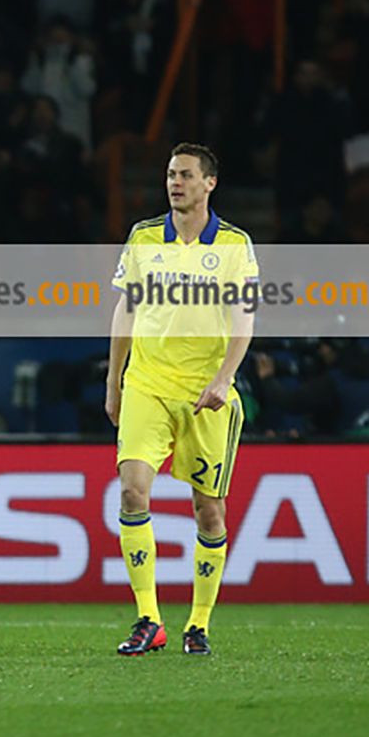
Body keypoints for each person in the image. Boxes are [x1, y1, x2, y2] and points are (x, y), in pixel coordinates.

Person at [106, 144, 256, 657]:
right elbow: (124, 311)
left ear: (209, 183)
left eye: (186, 175)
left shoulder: (235, 244)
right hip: (147, 383)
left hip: (205, 395)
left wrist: (224, 379)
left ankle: (199, 622)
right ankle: (149, 618)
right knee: (132, 491)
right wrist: (115, 381)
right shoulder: (145, 237)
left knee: (208, 511)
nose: (176, 183)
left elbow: (245, 319)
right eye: (171, 174)